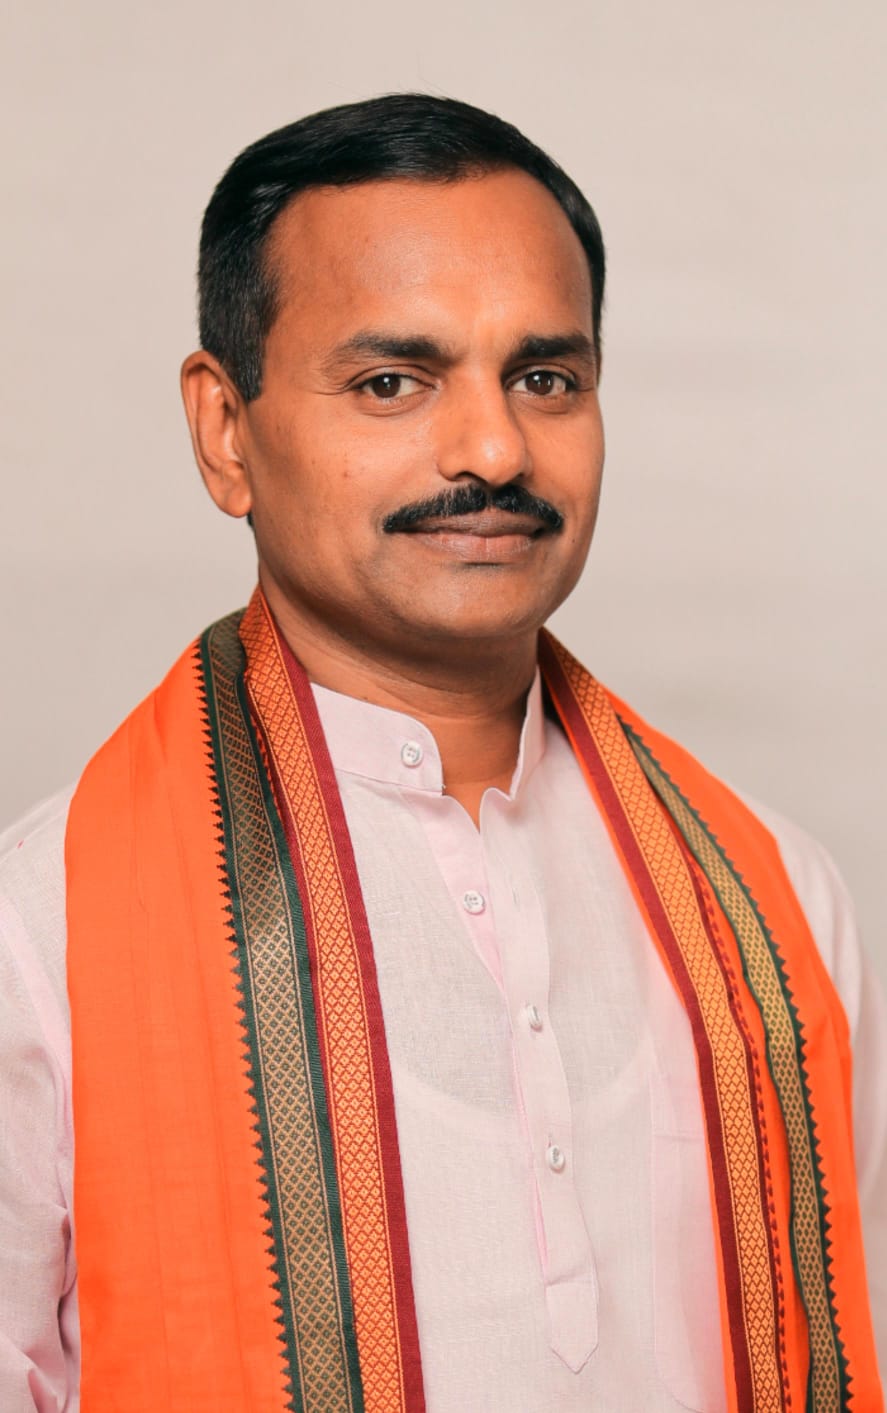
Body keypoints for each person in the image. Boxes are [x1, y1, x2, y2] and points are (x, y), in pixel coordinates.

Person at [0, 93, 883, 1413]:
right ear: (225, 430)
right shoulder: (42, 933)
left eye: (546, 378)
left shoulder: (777, 903)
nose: (494, 448)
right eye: (391, 383)